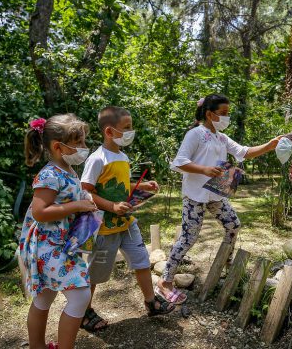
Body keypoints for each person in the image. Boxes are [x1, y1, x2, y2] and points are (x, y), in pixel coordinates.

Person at [156, 94, 281, 304]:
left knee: (233, 225)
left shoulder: (221, 137)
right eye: (223, 114)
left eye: (227, 114)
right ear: (209, 114)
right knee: (189, 237)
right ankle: (165, 282)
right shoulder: (195, 134)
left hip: (215, 194)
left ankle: (227, 265)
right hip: (194, 195)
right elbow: (179, 162)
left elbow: (244, 152)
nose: (226, 118)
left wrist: (269, 145)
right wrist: (204, 169)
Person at [79, 106, 174, 333]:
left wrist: (141, 186)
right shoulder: (97, 159)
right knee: (95, 273)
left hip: (127, 223)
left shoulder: (123, 156)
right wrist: (111, 206)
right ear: (110, 132)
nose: (131, 132)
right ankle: (84, 312)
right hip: (104, 228)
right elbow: (85, 191)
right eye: (127, 128)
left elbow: (121, 186)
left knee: (142, 260)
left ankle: (151, 303)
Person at [18, 114, 98, 349]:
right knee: (81, 296)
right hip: (49, 247)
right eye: (79, 143)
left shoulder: (68, 169)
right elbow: (40, 211)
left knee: (44, 297)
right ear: (57, 146)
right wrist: (76, 205)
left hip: (61, 244)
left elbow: (67, 196)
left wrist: (84, 197)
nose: (84, 148)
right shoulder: (49, 174)